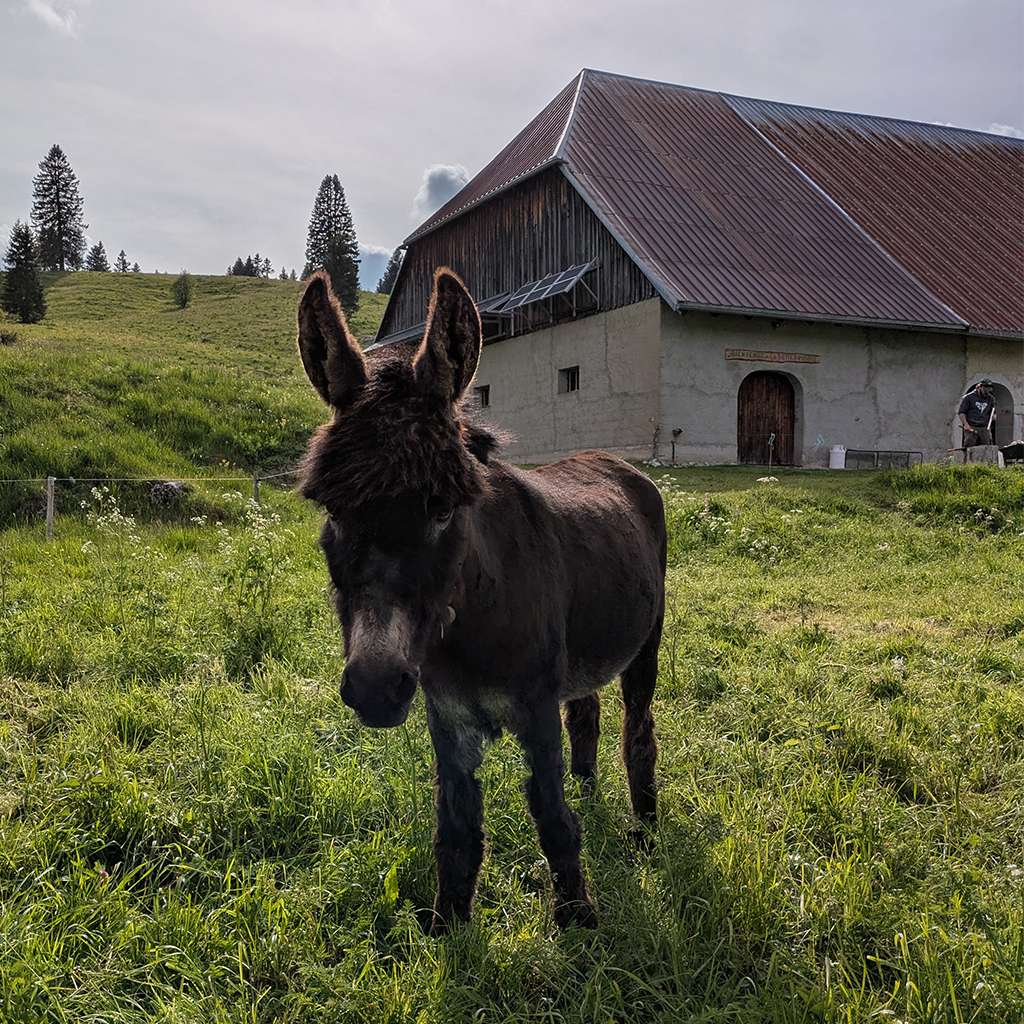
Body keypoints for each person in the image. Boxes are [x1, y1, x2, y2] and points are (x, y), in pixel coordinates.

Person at [958, 379, 997, 447]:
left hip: (984, 427)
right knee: (970, 444)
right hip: (971, 426)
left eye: (988, 390)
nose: (986, 392)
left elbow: (993, 411)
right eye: (985, 390)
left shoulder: (991, 399)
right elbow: (961, 413)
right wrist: (966, 425)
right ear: (980, 387)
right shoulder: (969, 398)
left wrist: (994, 416)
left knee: (986, 446)